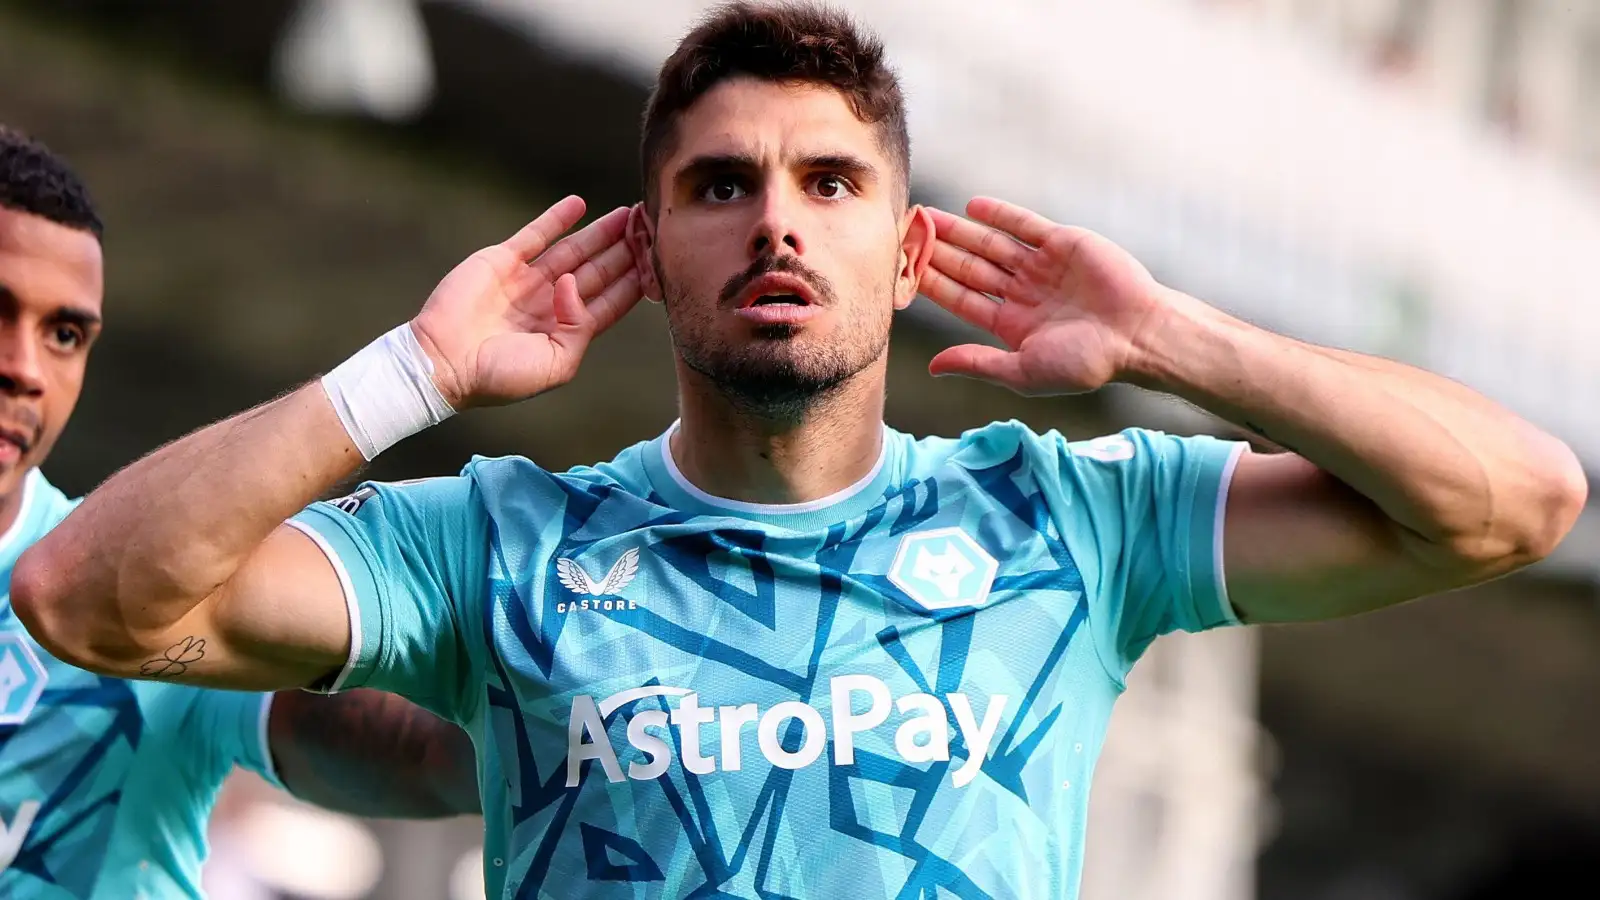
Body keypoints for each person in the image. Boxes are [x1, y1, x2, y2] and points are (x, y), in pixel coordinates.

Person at [12, 2, 1589, 898]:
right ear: (651, 246)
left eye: (832, 185)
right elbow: (90, 596)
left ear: (908, 254)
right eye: (722, 187)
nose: (777, 219)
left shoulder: (1065, 522)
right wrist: (411, 374)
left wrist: (1185, 341)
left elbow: (1515, 503)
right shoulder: (497, 543)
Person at [0, 125, 479, 898]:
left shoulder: (142, 591)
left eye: (64, 334)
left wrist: (560, 729)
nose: (24, 369)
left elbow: (414, 751)